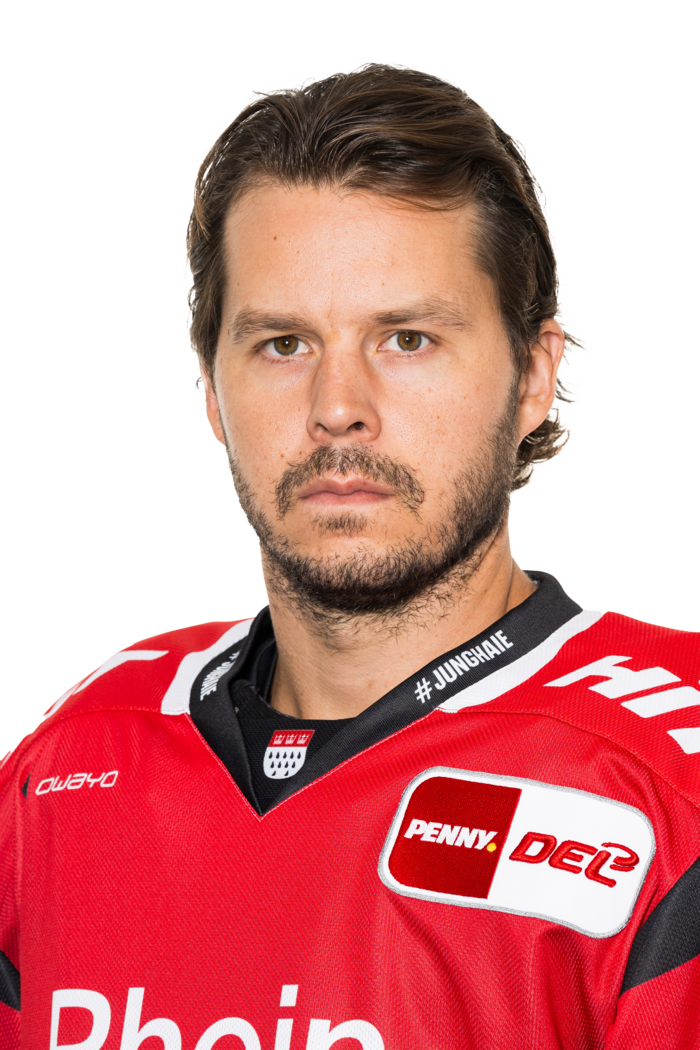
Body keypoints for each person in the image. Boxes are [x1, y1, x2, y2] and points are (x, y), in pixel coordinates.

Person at [1, 61, 697, 1050]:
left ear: (533, 376)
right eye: (282, 344)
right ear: (210, 390)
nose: (337, 408)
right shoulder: (73, 760)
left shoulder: (667, 780)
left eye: (406, 339)